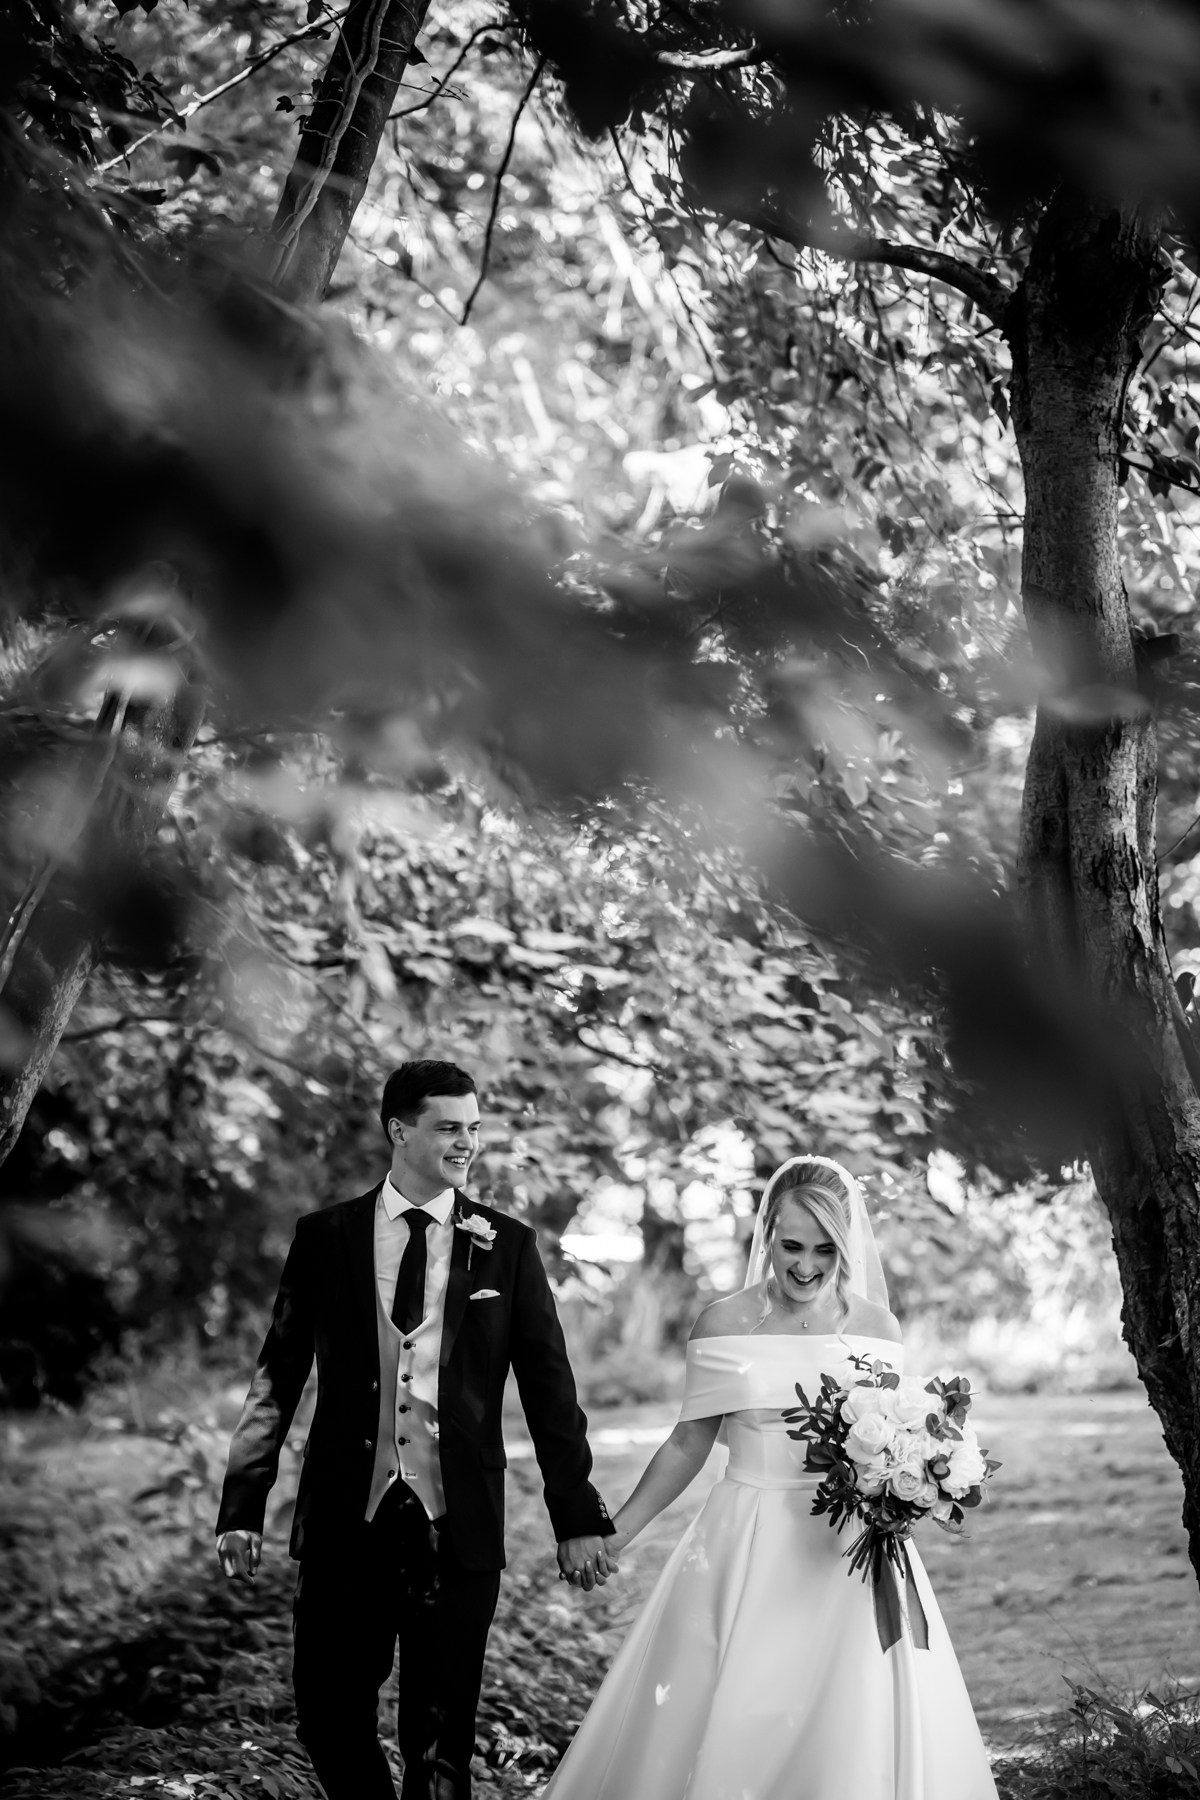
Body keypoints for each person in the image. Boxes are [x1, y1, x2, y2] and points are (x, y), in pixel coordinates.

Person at [215, 1058, 617, 1800]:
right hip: (346, 1523)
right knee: (327, 1715)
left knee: (439, 1746)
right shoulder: (325, 1236)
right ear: (399, 1131)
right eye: (448, 1128)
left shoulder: (508, 1245)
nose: (467, 1143)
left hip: (456, 1528)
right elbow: (278, 1376)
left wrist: (577, 1514)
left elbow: (550, 1391)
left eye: (474, 1128)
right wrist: (242, 1504)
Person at [541, 1155, 998, 1800]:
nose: (806, 1266)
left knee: (852, 1703)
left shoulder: (877, 1328)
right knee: (740, 1694)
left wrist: (909, 1477)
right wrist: (616, 1534)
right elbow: (688, 1442)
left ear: (846, 1247)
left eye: (824, 1250)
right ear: (768, 1239)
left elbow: (894, 1424)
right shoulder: (723, 1324)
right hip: (747, 1535)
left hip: (849, 1545)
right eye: (791, 1247)